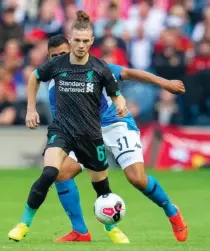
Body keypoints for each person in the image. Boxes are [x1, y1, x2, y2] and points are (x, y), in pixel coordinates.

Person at [43, 35, 188, 243]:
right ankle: (80, 231)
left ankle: (171, 210)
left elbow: (128, 73)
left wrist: (165, 83)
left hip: (116, 125)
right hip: (85, 131)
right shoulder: (53, 87)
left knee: (136, 178)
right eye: (53, 57)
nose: (58, 59)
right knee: (61, 172)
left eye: (62, 54)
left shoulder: (96, 67)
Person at [7, 11, 128, 242]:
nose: (81, 45)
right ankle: (23, 223)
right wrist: (31, 109)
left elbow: (116, 95)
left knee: (102, 188)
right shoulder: (57, 64)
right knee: (50, 173)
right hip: (62, 131)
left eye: (85, 41)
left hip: (91, 135)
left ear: (92, 41)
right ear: (70, 39)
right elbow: (34, 77)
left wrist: (121, 105)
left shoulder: (100, 68)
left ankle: (112, 228)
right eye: (77, 40)